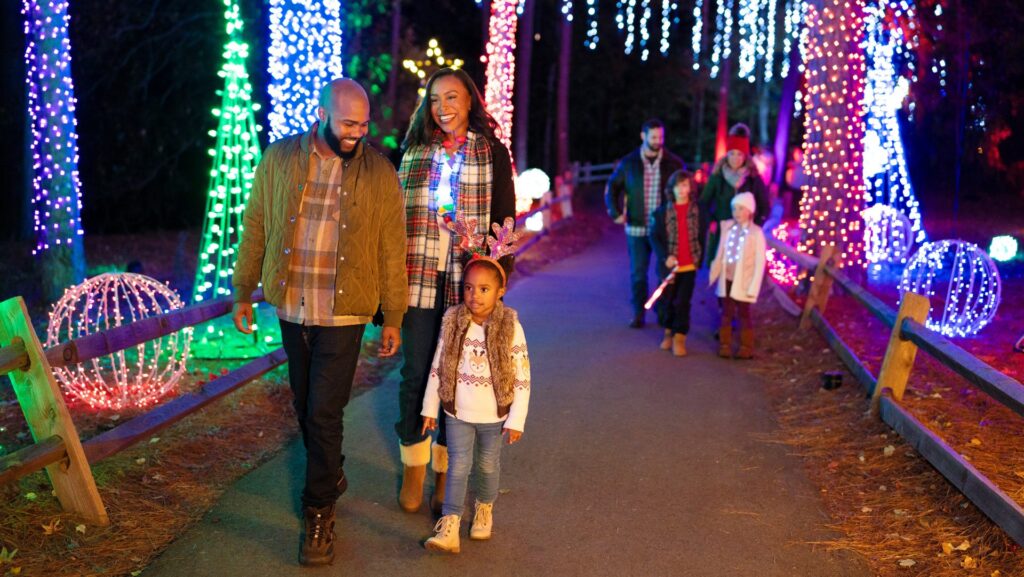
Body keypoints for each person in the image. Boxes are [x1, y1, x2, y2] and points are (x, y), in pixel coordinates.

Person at [231, 78, 408, 566]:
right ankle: (328, 473)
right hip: (292, 302)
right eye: (349, 123)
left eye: (365, 123)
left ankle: (318, 513)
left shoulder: (379, 172)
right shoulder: (281, 158)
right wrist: (243, 290)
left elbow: (393, 247)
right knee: (304, 404)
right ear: (322, 114)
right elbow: (257, 226)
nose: (358, 132)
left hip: (346, 309)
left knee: (325, 412)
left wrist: (393, 315)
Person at [397, 67, 516, 516]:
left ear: (470, 102)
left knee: (454, 376)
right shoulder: (412, 153)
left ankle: (446, 471)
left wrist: (495, 281)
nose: (443, 107)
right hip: (419, 279)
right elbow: (393, 221)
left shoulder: (492, 153)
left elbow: (504, 218)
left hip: (467, 282)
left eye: (452, 98)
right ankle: (413, 462)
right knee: (415, 372)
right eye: (435, 100)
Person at [419, 255, 531, 553]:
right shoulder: (453, 322)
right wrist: (430, 408)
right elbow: (438, 366)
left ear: (500, 291)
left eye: (483, 289)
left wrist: (516, 419)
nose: (474, 296)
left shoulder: (510, 328)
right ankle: (450, 525)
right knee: (457, 466)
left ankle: (484, 509)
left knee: (486, 464)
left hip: (494, 415)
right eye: (468, 288)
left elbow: (522, 377)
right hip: (457, 411)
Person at [605, 119, 686, 328]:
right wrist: (615, 213)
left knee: (664, 272)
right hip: (636, 227)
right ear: (643, 136)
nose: (658, 141)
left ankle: (661, 310)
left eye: (661, 137)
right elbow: (612, 187)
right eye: (653, 137)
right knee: (638, 272)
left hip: (663, 229)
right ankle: (638, 312)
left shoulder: (673, 163)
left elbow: (684, 189)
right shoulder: (629, 163)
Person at [699, 124, 769, 267]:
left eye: (739, 154)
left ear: (745, 156)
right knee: (721, 274)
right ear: (727, 154)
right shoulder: (717, 176)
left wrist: (756, 225)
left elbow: (765, 206)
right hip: (722, 232)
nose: (735, 158)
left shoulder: (753, 178)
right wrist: (711, 221)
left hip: (745, 235)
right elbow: (703, 203)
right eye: (732, 153)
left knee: (740, 275)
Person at [650, 170, 702, 357]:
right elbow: (654, 237)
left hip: (689, 265)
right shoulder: (662, 213)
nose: (682, 190)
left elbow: (703, 234)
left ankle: (680, 336)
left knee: (683, 302)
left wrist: (702, 257)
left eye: (685, 185)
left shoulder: (697, 211)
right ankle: (667, 333)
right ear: (672, 189)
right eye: (678, 186)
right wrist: (665, 256)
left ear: (690, 188)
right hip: (669, 266)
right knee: (667, 301)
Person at [708, 192, 766, 360]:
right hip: (727, 278)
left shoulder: (756, 233)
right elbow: (721, 251)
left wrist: (754, 285)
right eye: (734, 209)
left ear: (750, 210)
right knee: (726, 312)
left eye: (741, 208)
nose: (737, 212)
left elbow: (759, 261)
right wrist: (716, 269)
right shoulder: (728, 229)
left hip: (744, 281)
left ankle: (746, 346)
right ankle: (725, 344)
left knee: (743, 313)